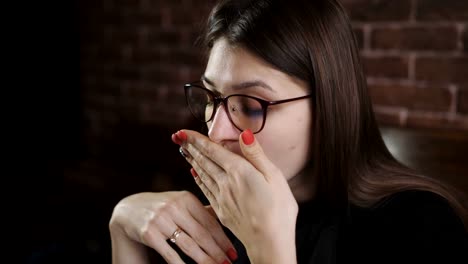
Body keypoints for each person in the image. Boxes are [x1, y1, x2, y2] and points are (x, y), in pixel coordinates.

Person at [109, 0, 468, 263]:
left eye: (250, 106)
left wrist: (269, 248)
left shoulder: (420, 227)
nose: (216, 133)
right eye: (212, 97)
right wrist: (122, 228)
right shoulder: (215, 210)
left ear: (327, 104)